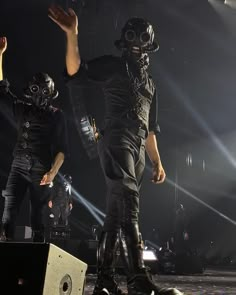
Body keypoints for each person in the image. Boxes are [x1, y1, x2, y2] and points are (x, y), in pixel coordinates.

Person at [48, 6, 184, 295]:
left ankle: (105, 282)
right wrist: (72, 35)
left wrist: (157, 162)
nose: (137, 43)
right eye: (132, 37)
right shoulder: (112, 66)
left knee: (114, 214)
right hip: (115, 140)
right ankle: (138, 280)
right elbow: (75, 73)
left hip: (136, 149)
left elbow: (150, 129)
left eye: (141, 38)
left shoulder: (151, 85)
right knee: (129, 204)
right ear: (125, 41)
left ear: (149, 44)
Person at [0, 36, 67, 242]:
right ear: (30, 91)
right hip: (19, 165)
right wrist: (0, 55)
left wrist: (52, 172)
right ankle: (5, 259)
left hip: (42, 169)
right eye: (36, 89)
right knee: (9, 211)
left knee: (37, 216)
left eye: (44, 90)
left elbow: (62, 150)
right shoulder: (22, 108)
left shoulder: (56, 115)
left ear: (51, 92)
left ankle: (37, 263)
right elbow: (1, 88)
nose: (40, 94)